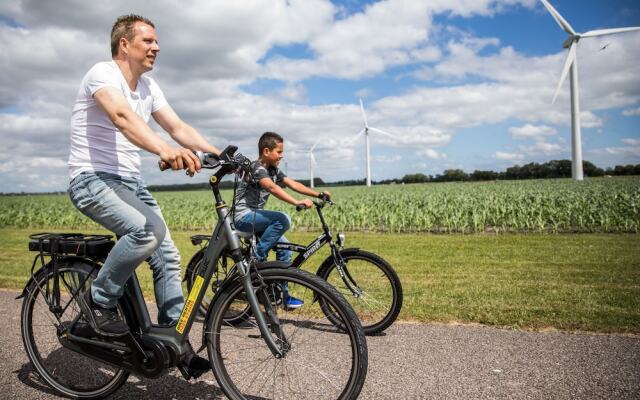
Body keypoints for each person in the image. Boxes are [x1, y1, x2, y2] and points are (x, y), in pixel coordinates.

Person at [67, 14, 217, 374]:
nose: (157, 47)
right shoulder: (102, 73)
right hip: (92, 179)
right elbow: (121, 116)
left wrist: (221, 155)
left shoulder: (149, 88)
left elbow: (177, 126)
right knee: (145, 232)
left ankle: (174, 343)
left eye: (156, 41)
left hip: (130, 184)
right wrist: (163, 150)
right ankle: (97, 304)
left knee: (167, 257)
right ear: (125, 44)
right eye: (148, 40)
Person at [233, 132, 331, 309]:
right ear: (266, 151)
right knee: (282, 219)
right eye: (279, 151)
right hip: (243, 217)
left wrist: (318, 194)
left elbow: (293, 184)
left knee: (285, 248)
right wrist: (296, 202)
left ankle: (281, 296)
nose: (282, 155)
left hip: (256, 217)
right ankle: (255, 260)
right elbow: (271, 187)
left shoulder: (272, 170)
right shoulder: (256, 168)